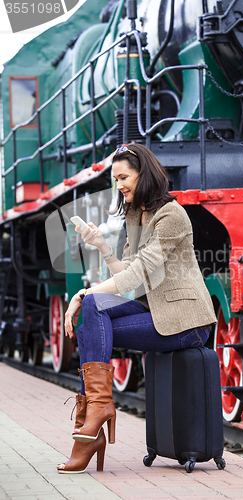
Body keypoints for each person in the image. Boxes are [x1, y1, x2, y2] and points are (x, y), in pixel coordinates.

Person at [57, 143, 217, 473]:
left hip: (185, 322)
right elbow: (128, 271)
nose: (119, 186)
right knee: (93, 310)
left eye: (124, 177)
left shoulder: (172, 216)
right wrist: (102, 246)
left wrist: (83, 293)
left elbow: (137, 273)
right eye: (115, 180)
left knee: (91, 305)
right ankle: (97, 410)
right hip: (154, 310)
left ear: (144, 173)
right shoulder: (135, 213)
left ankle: (93, 416)